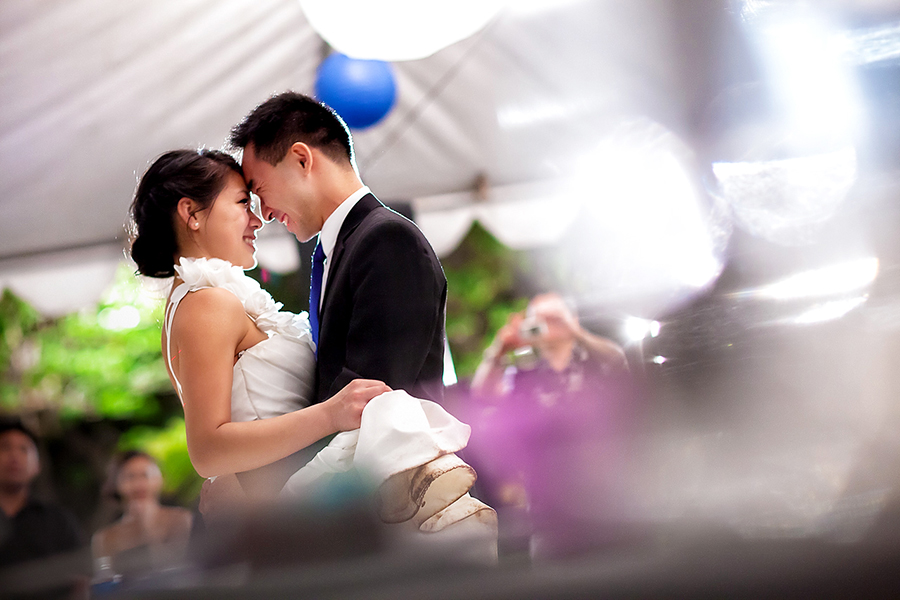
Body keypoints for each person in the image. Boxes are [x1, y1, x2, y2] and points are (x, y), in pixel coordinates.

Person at [128, 148, 495, 554]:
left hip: (295, 496)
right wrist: (330, 413)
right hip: (289, 509)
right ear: (191, 213)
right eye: (241, 204)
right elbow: (209, 450)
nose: (257, 219)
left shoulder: (205, 300)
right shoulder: (205, 305)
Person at [230, 91, 447, 405]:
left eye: (259, 190)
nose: (264, 214)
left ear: (301, 159)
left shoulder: (387, 239)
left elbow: (371, 395)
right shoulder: (343, 247)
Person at [468, 293, 632, 558]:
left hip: (608, 495)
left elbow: (618, 361)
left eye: (554, 318)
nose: (547, 325)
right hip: (549, 508)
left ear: (571, 320)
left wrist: (577, 332)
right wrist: (500, 349)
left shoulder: (595, 361)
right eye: (539, 320)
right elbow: (482, 394)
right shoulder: (524, 374)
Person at [0, 417, 89, 597]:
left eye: (24, 449)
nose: (14, 456)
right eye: (5, 447)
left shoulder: (59, 520)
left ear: (37, 465)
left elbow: (81, 580)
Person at [91, 451, 192, 580]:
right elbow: (104, 580)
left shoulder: (181, 519)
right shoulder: (105, 537)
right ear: (117, 484)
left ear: (160, 479)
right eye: (130, 477)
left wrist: (148, 528)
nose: (139, 484)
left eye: (146, 475)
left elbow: (184, 568)